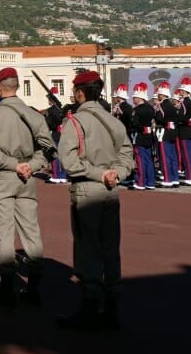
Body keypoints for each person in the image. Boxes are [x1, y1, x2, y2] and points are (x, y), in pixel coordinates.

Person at [56, 70, 134, 330]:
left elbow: (68, 161)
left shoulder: (75, 122)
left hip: (88, 189)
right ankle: (112, 307)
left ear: (80, 92)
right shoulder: (114, 121)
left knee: (88, 248)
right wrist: (116, 174)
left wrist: (98, 173)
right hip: (111, 189)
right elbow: (127, 155)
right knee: (110, 248)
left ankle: (90, 306)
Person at [0, 66, 56, 305]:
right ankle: (33, 287)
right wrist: (31, 166)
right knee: (31, 231)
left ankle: (7, 288)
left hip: (4, 176)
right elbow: (49, 149)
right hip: (28, 178)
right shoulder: (34, 114)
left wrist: (13, 165)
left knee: (5, 233)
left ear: (0, 89)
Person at [128, 83, 156, 190]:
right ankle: (151, 182)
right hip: (149, 137)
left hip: (139, 137)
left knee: (140, 161)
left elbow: (134, 124)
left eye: (134, 97)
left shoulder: (137, 110)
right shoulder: (151, 108)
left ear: (139, 98)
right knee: (149, 160)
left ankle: (140, 182)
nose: (133, 99)